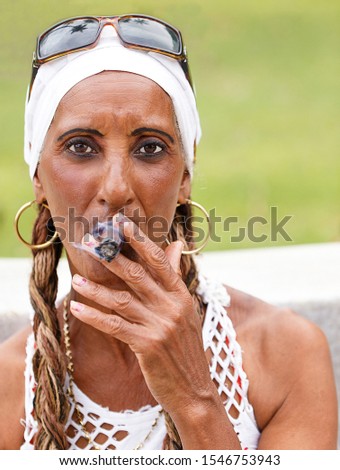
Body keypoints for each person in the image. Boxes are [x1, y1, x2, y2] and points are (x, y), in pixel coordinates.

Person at [0, 14, 337, 450]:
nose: (117, 189)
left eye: (150, 148)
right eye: (81, 147)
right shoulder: (9, 386)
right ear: (39, 177)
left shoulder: (286, 355)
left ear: (184, 178)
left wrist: (193, 398)